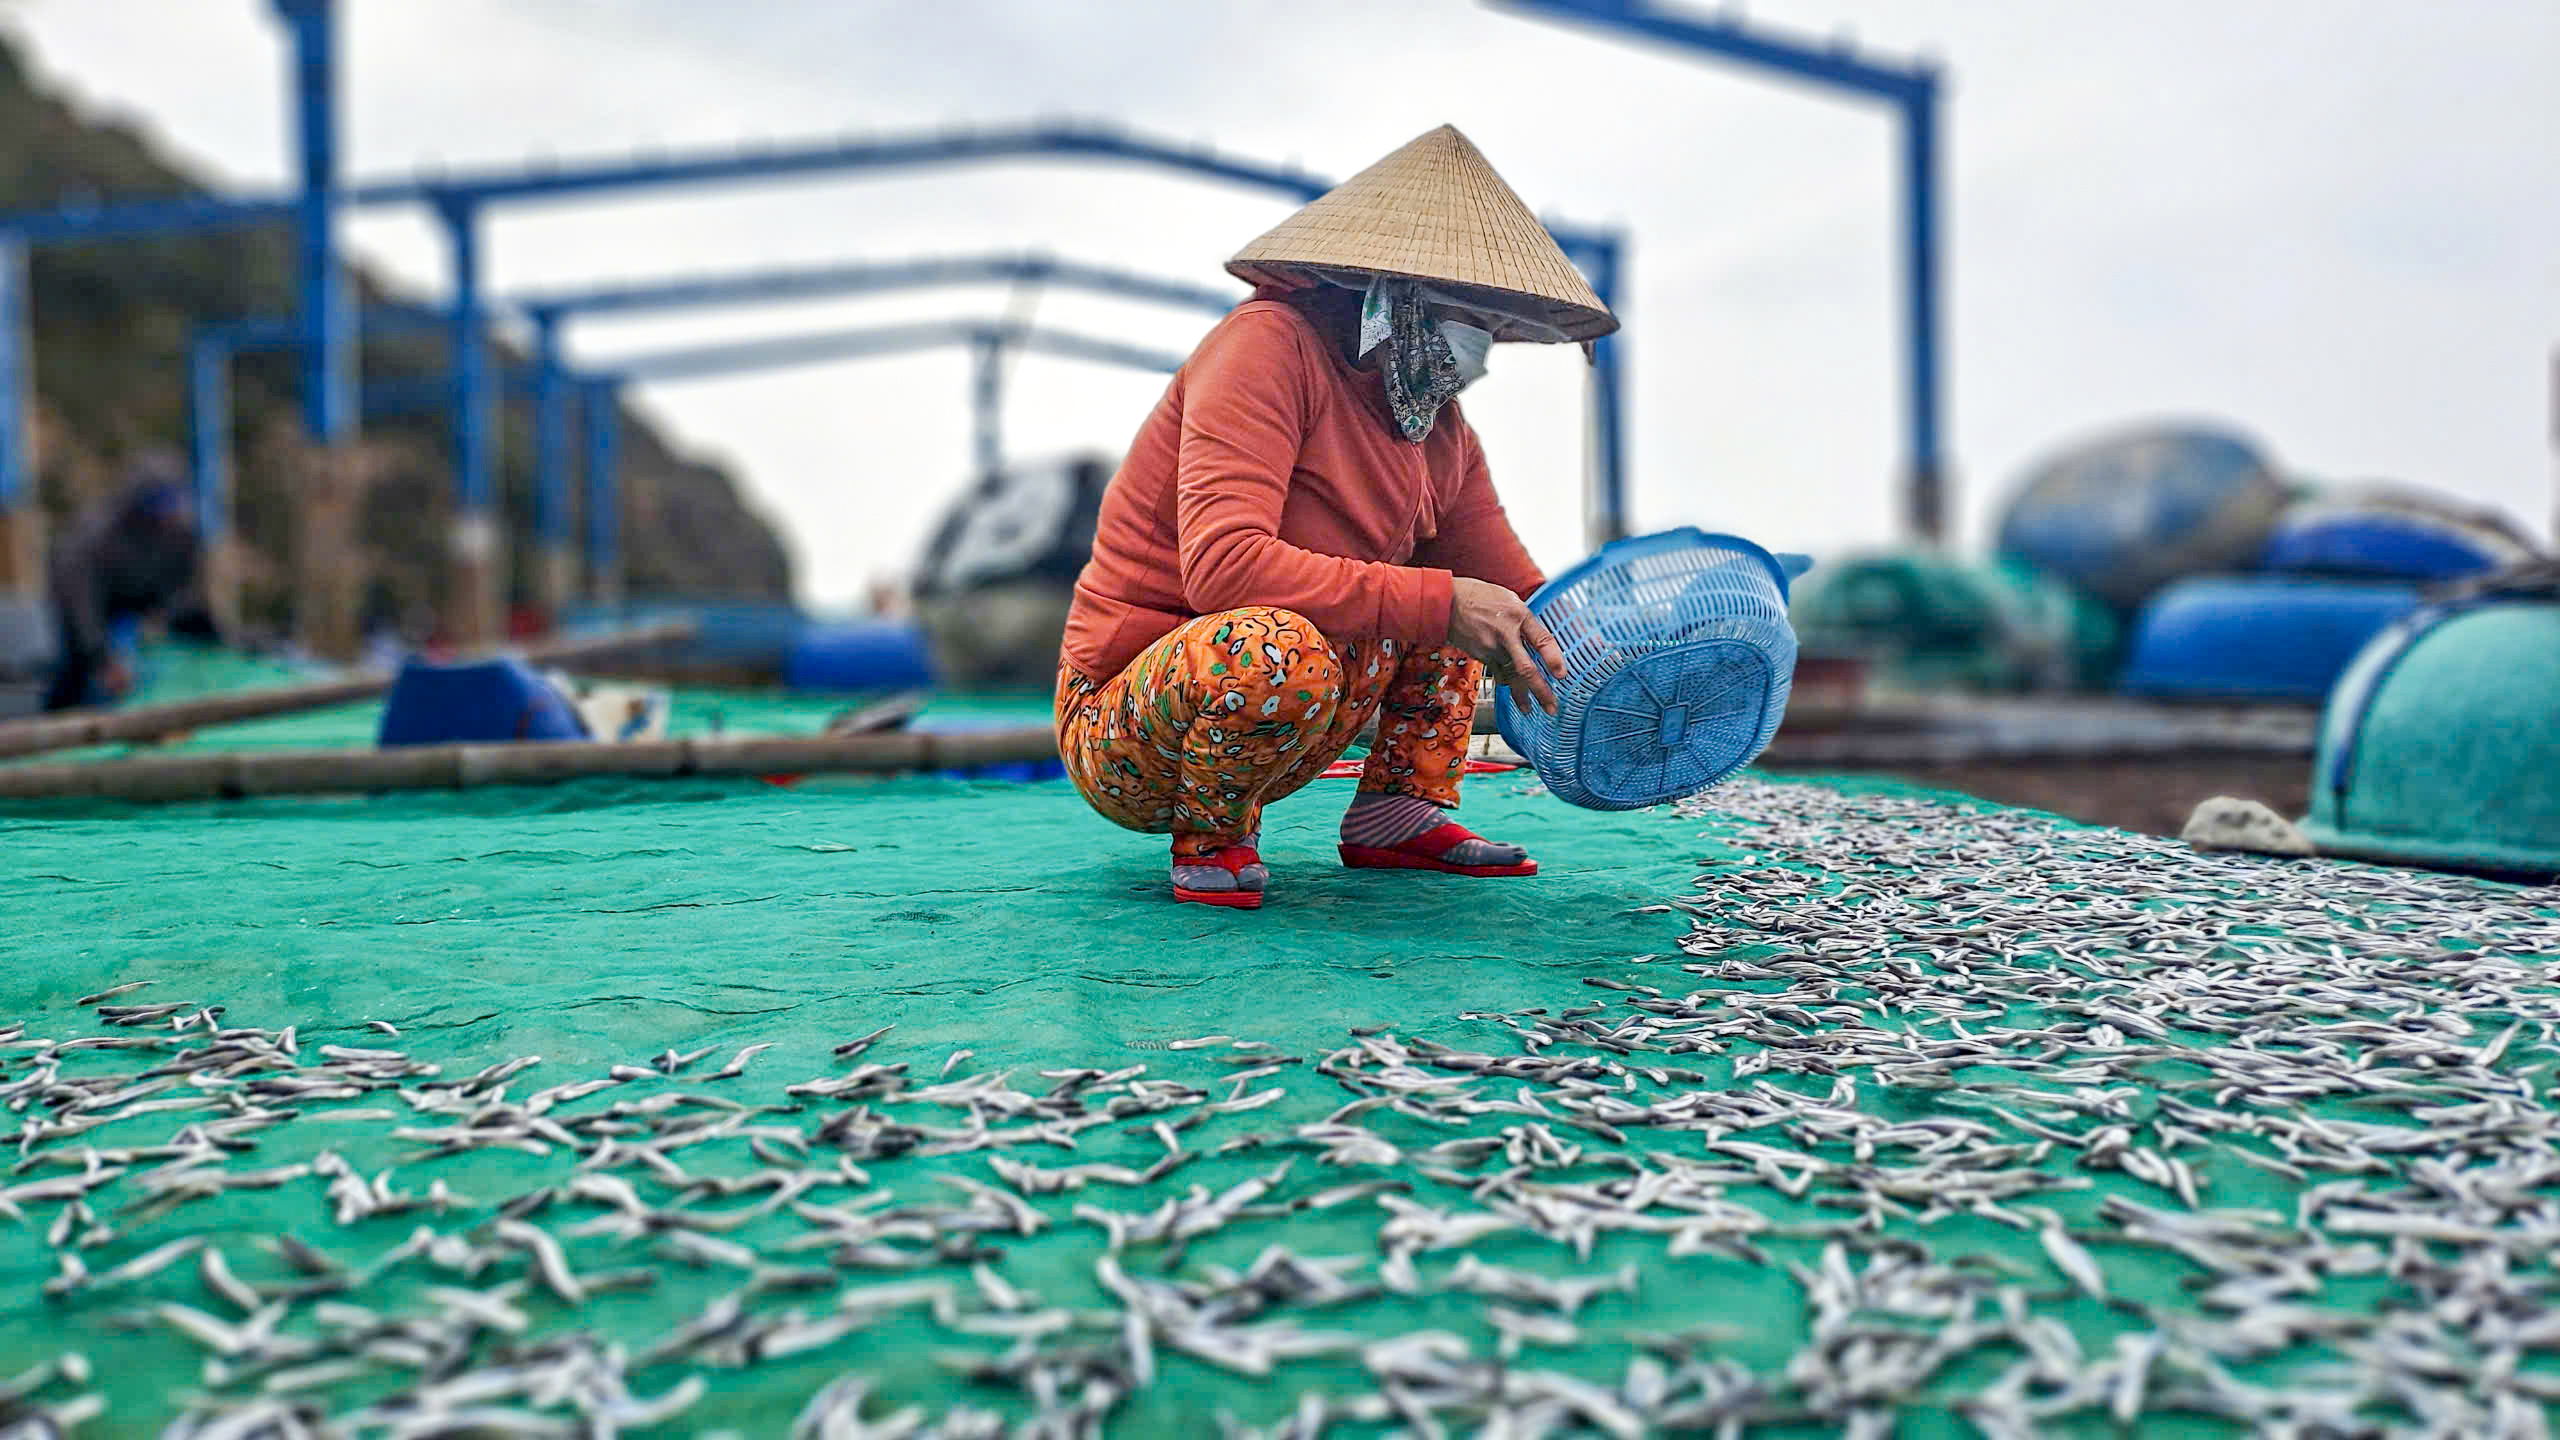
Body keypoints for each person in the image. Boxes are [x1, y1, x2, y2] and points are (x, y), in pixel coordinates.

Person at [1056, 125, 1616, 909]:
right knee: (1313, 633)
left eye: (1490, 323)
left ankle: (1399, 811)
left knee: (1471, 601)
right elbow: (1224, 567)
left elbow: (1516, 588)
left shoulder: (1440, 430)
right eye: (1463, 311)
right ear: (1391, 296)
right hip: (1136, 722)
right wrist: (1441, 602)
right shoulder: (1265, 347)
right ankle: (1213, 833)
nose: (1480, 344)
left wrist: (1607, 654)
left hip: (1300, 711)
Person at [43, 454, 205, 712]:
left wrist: (168, 619)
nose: (164, 520)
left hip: (136, 611)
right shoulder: (93, 540)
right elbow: (79, 606)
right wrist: (100, 658)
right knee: (76, 678)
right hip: (91, 614)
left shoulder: (181, 534)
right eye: (155, 510)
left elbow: (181, 591)